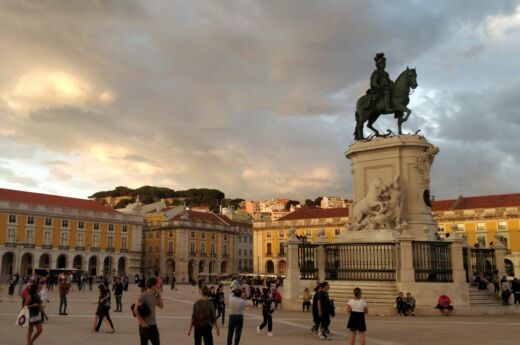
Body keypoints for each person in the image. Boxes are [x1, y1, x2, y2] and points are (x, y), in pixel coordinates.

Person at [135, 277, 164, 345]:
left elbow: (161, 306)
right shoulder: (143, 296)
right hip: (145, 326)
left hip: (153, 325)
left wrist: (159, 293)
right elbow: (135, 309)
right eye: (157, 284)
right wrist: (142, 322)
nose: (159, 285)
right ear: (153, 286)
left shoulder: (154, 295)